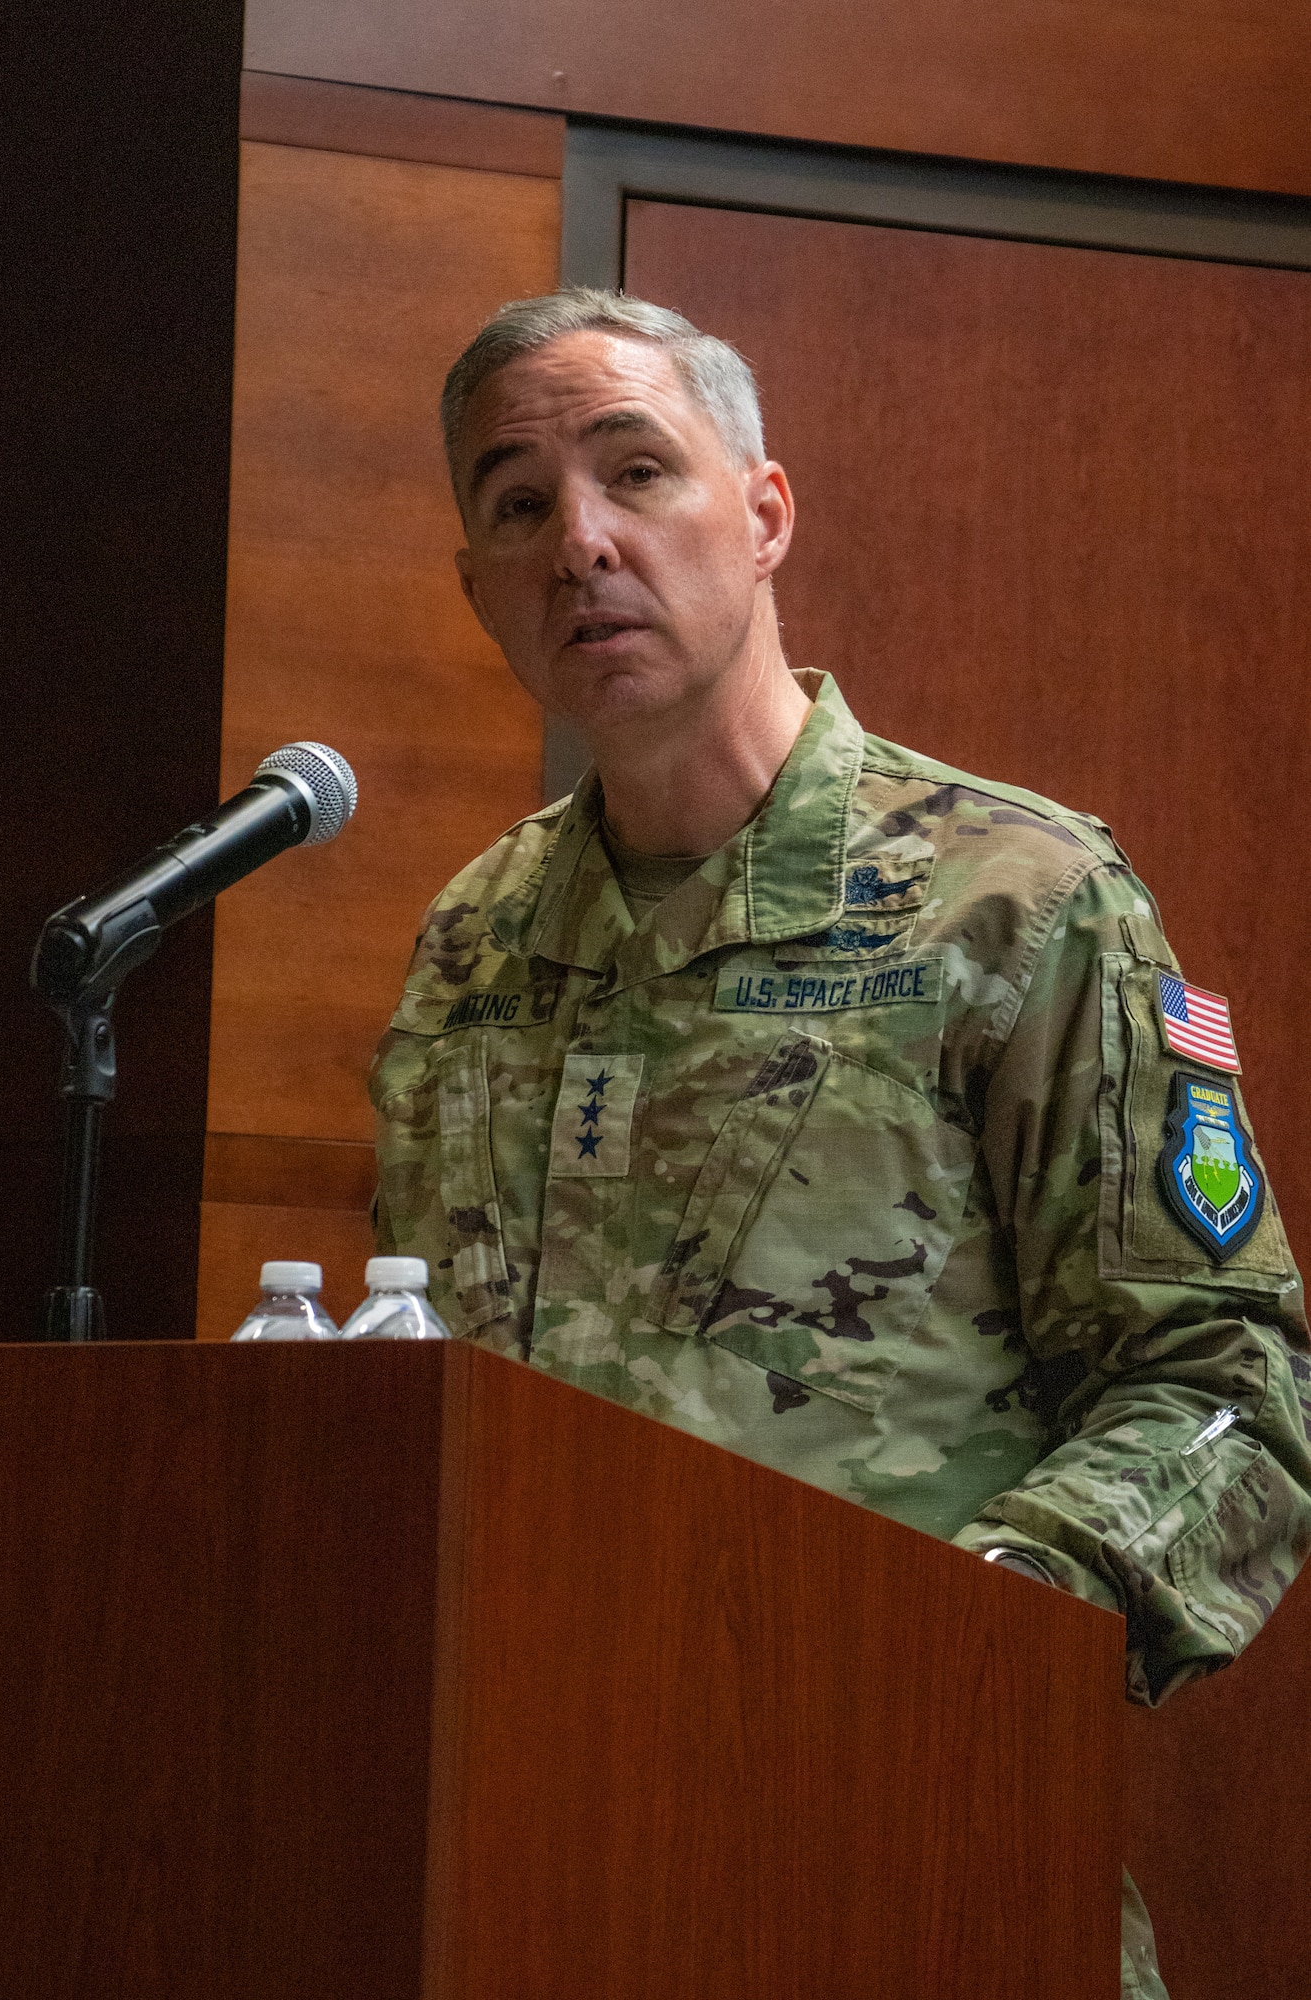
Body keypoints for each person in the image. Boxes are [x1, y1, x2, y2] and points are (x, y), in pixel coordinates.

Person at [370, 288, 1311, 1998]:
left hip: (914, 1850)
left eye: (634, 470)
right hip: (542, 1864)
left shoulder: (1014, 903)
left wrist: (978, 1627)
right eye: (517, 506)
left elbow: (1228, 1381)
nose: (579, 540)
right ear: (477, 587)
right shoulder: (472, 943)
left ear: (764, 511)